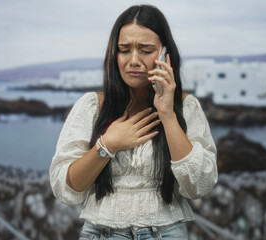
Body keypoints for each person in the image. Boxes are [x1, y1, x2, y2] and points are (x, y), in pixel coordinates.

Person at [49, 4, 218, 240]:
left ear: (165, 54)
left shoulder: (186, 107)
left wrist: (168, 114)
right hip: (101, 233)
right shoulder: (91, 106)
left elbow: (199, 184)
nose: (134, 60)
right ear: (114, 54)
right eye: (124, 49)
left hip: (166, 233)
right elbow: (67, 188)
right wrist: (108, 144)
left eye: (146, 50)